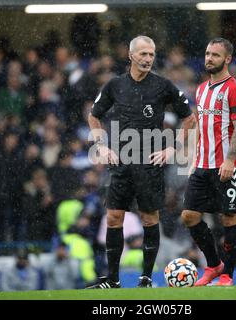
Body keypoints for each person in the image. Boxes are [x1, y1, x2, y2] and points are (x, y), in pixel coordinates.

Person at [86, 35, 195, 289]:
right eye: (143, 54)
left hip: (149, 164)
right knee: (114, 218)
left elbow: (189, 119)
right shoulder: (115, 85)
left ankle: (145, 279)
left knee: (149, 219)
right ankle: (112, 281)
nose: (148, 59)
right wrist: (101, 146)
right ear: (131, 55)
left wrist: (172, 148)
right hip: (122, 164)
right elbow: (94, 116)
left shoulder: (163, 86)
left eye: (152, 54)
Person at [181, 38, 236, 286]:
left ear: (228, 59)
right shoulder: (200, 90)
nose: (209, 58)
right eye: (208, 53)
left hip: (227, 165)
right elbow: (201, 126)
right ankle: (213, 264)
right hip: (202, 164)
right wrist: (193, 158)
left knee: (229, 218)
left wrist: (230, 160)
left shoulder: (235, 88)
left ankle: (227, 275)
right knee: (189, 215)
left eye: (215, 55)